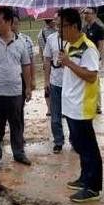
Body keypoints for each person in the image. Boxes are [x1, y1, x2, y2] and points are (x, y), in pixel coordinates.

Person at [0, 7, 32, 171]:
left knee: (17, 124)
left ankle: (19, 153)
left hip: (16, 91)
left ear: (9, 22)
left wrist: (28, 87)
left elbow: (26, 66)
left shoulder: (21, 42)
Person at [58, 8, 103, 203]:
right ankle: (85, 177)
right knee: (79, 145)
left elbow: (92, 76)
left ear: (74, 26)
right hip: (70, 105)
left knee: (88, 147)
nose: (59, 30)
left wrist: (68, 63)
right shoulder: (69, 45)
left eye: (63, 26)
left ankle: (93, 187)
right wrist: (64, 61)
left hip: (82, 105)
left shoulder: (87, 47)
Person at [43, 12, 65, 154]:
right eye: (56, 19)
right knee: (55, 115)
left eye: (60, 20)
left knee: (71, 114)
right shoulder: (51, 39)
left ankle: (75, 140)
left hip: (71, 83)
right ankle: (58, 141)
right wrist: (46, 80)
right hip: (55, 81)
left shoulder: (77, 39)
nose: (56, 22)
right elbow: (46, 59)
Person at [82, 7, 104, 114]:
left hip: (95, 59)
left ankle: (98, 105)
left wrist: (96, 59)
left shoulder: (99, 29)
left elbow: (100, 47)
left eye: (88, 13)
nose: (85, 15)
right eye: (84, 13)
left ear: (94, 14)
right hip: (85, 60)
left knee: (95, 81)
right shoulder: (84, 28)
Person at [38, 18, 58, 117]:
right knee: (55, 84)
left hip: (46, 63)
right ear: (50, 21)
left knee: (47, 84)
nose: (55, 21)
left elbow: (40, 51)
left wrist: (43, 62)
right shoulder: (56, 33)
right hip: (56, 63)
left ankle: (49, 109)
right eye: (54, 20)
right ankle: (56, 107)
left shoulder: (40, 34)